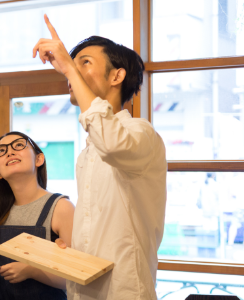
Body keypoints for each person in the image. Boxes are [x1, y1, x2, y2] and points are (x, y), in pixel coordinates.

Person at [33, 15, 167, 300]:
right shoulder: (87, 152)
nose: (73, 72)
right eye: (74, 63)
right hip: (84, 289)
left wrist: (69, 69)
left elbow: (112, 143)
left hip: (125, 290)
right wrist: (74, 248)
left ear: (116, 76)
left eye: (85, 62)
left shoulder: (141, 134)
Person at [0, 131, 75, 300]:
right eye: (1, 151)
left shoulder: (61, 208)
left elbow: (74, 278)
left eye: (18, 145)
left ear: (39, 159)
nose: (9, 152)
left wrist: (32, 271)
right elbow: (1, 273)